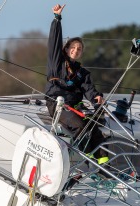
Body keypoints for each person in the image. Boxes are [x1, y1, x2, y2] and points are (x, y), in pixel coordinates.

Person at [44, 4, 108, 165]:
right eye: (73, 47)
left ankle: (104, 163)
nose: (75, 50)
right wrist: (57, 19)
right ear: (66, 49)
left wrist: (97, 97)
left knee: (94, 128)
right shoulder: (56, 62)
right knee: (79, 125)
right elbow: (54, 40)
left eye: (79, 49)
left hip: (75, 106)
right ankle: (87, 158)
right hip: (57, 105)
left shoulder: (82, 72)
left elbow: (89, 89)